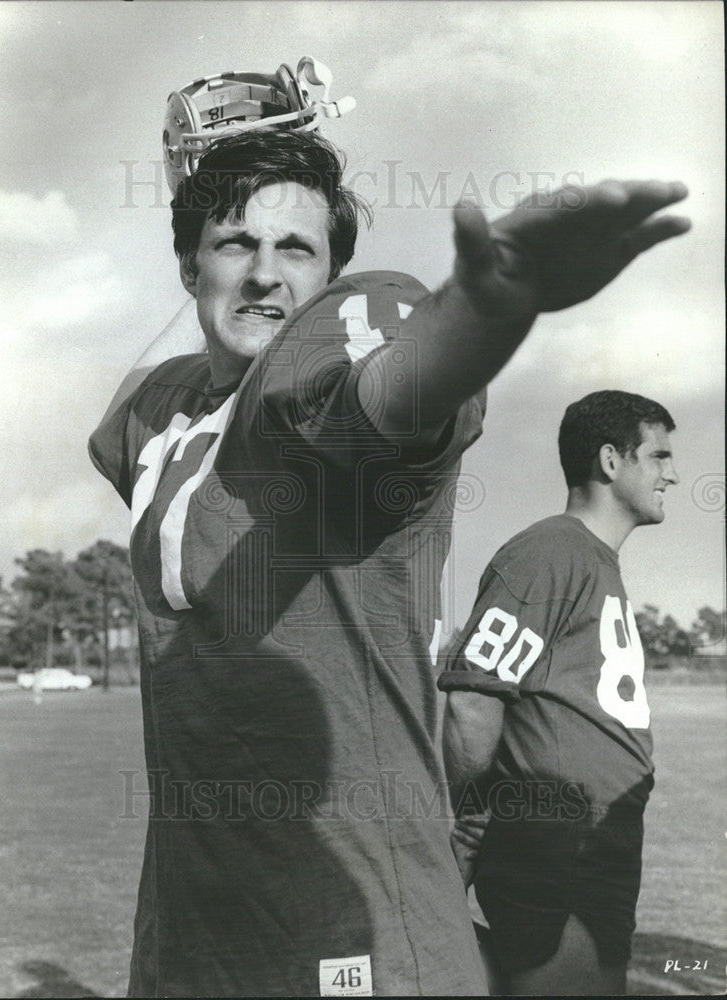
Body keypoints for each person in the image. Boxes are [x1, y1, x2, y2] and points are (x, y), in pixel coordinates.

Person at [89, 68, 690, 994]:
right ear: (186, 264)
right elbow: (126, 411)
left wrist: (491, 309)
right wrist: (218, 183)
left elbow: (394, 391)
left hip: (354, 931)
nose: (263, 271)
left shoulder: (337, 344)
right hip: (192, 931)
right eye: (234, 242)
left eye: (298, 249)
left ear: (330, 277)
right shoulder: (163, 409)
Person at [441, 390, 680, 996]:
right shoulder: (550, 551)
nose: (671, 475)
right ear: (610, 460)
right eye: (658, 457)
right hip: (555, 842)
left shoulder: (593, 559)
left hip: (599, 843)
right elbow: (474, 697)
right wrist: (476, 816)